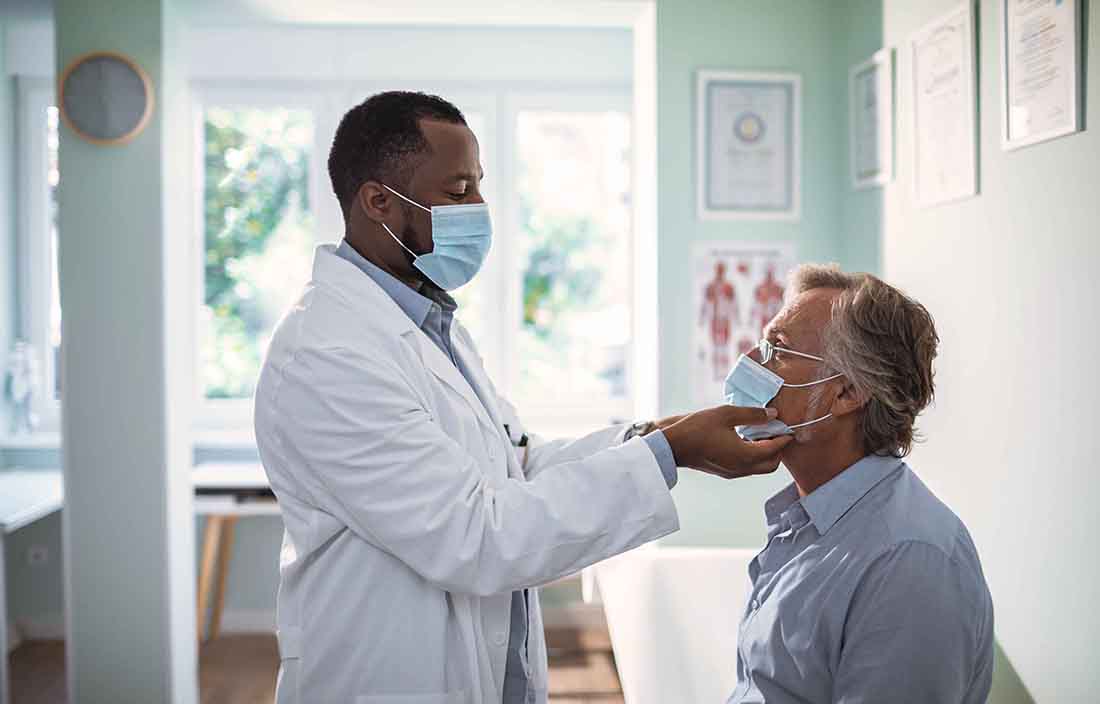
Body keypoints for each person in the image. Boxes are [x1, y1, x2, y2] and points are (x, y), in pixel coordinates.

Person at [253, 91, 791, 704]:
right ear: (377, 202)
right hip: (384, 678)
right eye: (458, 192)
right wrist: (670, 452)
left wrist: (653, 437)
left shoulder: (430, 325)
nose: (480, 209)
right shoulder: (328, 353)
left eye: (480, 187)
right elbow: (476, 534)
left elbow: (515, 465)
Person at [723, 264, 994, 703]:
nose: (751, 362)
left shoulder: (911, 561)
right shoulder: (808, 523)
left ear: (847, 393)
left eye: (778, 350)